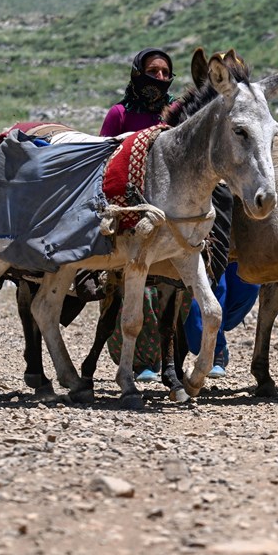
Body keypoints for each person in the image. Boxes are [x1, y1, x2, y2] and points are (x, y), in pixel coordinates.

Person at [100, 48, 178, 384]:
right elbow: (102, 160)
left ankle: (174, 360)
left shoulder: (175, 114)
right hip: (126, 207)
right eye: (153, 71)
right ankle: (137, 360)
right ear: (137, 73)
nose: (159, 79)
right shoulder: (118, 114)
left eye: (165, 73)